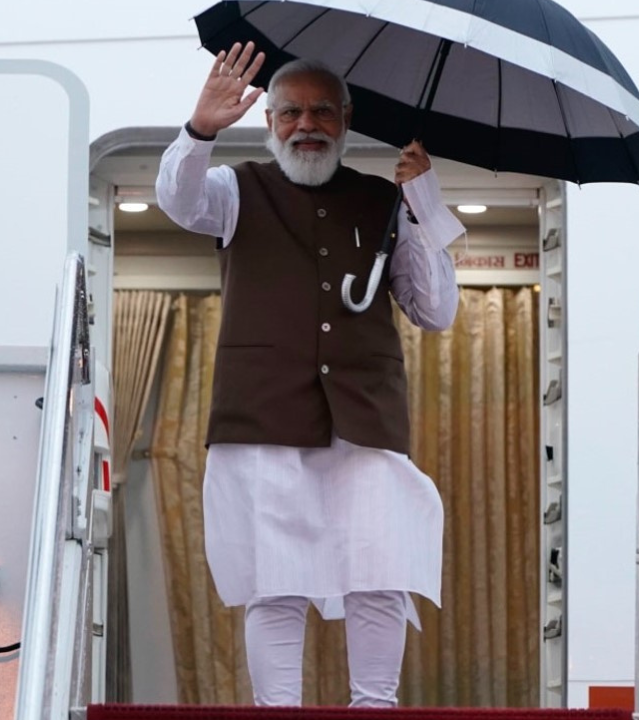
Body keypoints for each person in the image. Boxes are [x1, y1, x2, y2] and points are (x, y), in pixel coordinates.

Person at [155, 41, 465, 708]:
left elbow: (435, 311)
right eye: (291, 112)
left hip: (364, 417)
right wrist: (200, 128)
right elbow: (178, 202)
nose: (306, 125)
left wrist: (425, 202)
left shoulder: (384, 200)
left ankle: (374, 706)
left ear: (346, 119)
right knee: (277, 580)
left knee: (381, 568)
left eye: (322, 112)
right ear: (269, 122)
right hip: (264, 417)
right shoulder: (236, 190)